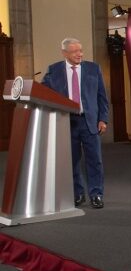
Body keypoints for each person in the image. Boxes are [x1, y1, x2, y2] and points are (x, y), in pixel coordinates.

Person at [42, 37, 109, 208]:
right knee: (71, 162)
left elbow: (102, 96)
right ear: (64, 53)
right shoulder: (54, 70)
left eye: (81, 50)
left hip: (90, 122)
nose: (80, 54)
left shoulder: (94, 69)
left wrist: (103, 118)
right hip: (66, 122)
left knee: (95, 160)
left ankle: (96, 194)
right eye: (75, 51)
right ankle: (77, 194)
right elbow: (43, 93)